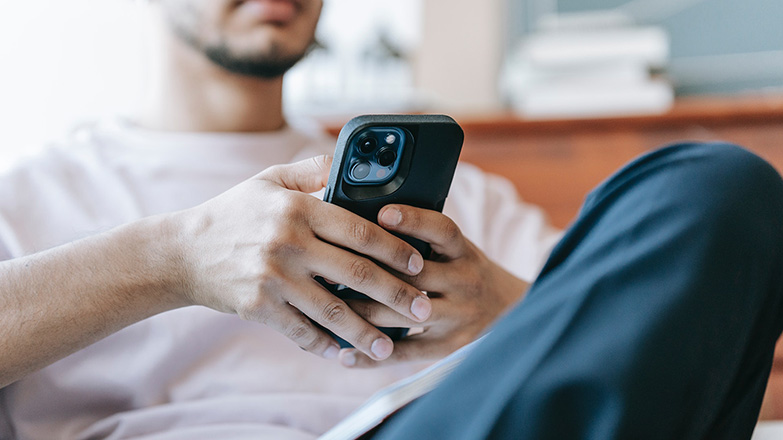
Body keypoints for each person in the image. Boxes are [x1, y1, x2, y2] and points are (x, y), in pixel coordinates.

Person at [0, 0, 560, 438]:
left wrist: (505, 305)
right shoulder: (26, 201)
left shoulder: (459, 199)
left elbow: (626, 328)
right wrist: (174, 259)